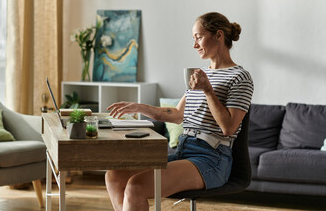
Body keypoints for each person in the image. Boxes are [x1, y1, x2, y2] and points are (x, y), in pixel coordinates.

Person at [105, 12, 254, 211]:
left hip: (212, 158)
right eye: (194, 38)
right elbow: (176, 114)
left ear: (218, 36)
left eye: (198, 37)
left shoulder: (240, 77)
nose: (195, 45)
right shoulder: (202, 74)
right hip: (183, 150)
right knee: (114, 175)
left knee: (136, 186)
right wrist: (139, 107)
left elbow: (228, 127)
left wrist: (208, 90)